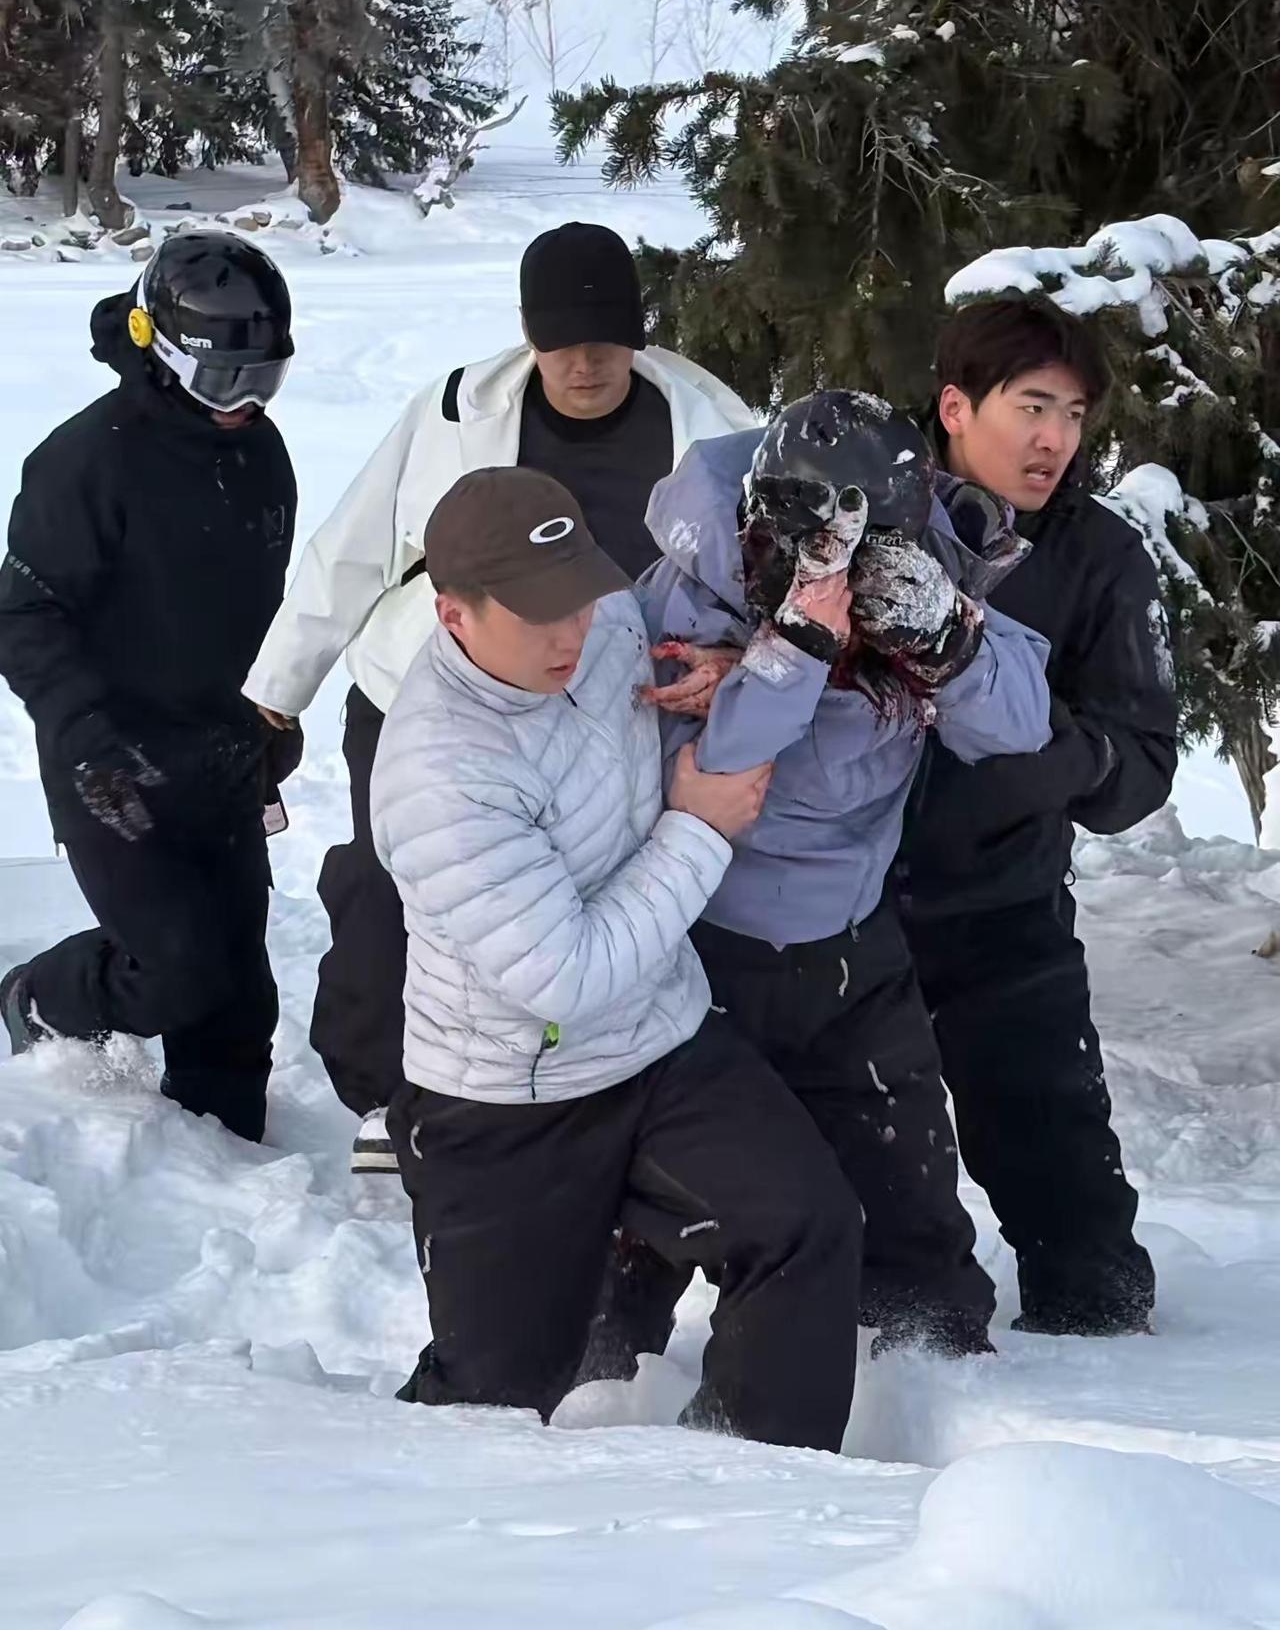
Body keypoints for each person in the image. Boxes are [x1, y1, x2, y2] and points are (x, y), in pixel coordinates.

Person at [240, 221, 755, 1169]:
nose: (586, 363)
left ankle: (584, 1077)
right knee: (389, 884)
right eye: (563, 343)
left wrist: (734, 659)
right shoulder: (453, 411)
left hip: (608, 698)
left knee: (579, 891)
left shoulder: (710, 423)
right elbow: (353, 548)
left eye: (607, 341)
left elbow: (757, 573)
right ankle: (385, 1090)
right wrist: (276, 692)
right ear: (529, 334)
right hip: (422, 687)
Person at [369, 464, 862, 1452]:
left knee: (804, 1225)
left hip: (659, 1037)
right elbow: (568, 976)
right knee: (491, 1405)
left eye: (579, 599)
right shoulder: (437, 772)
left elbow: (644, 677)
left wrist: (721, 666)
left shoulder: (604, 627)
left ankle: (755, 1484)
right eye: (535, 613)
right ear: (453, 612)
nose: (572, 634)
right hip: (507, 1100)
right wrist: (699, 827)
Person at [586, 391, 1053, 1368]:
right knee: (646, 1208)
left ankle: (929, 1390)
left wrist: (944, 639)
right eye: (812, 551)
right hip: (700, 952)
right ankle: (588, 1390)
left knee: (911, 1218)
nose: (839, 574)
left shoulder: (928, 564)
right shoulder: (685, 587)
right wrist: (790, 649)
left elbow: (1016, 723)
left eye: (863, 554)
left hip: (850, 952)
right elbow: (715, 770)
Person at [897, 300, 1176, 1337]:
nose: (1054, 436)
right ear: (955, 407)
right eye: (1030, 406)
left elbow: (1139, 768)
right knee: (871, 1216)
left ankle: (1105, 1428)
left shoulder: (1100, 557)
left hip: (1001, 915)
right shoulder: (864, 516)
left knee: (1084, 1242)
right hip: (839, 920)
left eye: (1072, 411)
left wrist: (1042, 751)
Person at [0, 231, 299, 1145]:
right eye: (224, 383)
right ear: (165, 356)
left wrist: (272, 709)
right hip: (114, 763)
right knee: (177, 969)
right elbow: (24, 614)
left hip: (221, 751)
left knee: (241, 995)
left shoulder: (258, 450)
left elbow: (265, 600)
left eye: (265, 380)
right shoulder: (86, 462)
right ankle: (40, 996)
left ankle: (224, 1155)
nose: (244, 404)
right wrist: (85, 734)